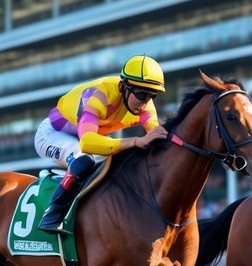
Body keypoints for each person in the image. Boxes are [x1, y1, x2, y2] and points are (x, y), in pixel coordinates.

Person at [33, 54, 169, 234]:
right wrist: (135, 141)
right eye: (141, 94)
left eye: (152, 96)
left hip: (82, 137)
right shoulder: (99, 96)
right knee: (83, 160)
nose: (144, 102)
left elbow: (156, 135)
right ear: (124, 86)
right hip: (52, 134)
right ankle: (52, 215)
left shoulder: (145, 105)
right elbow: (87, 143)